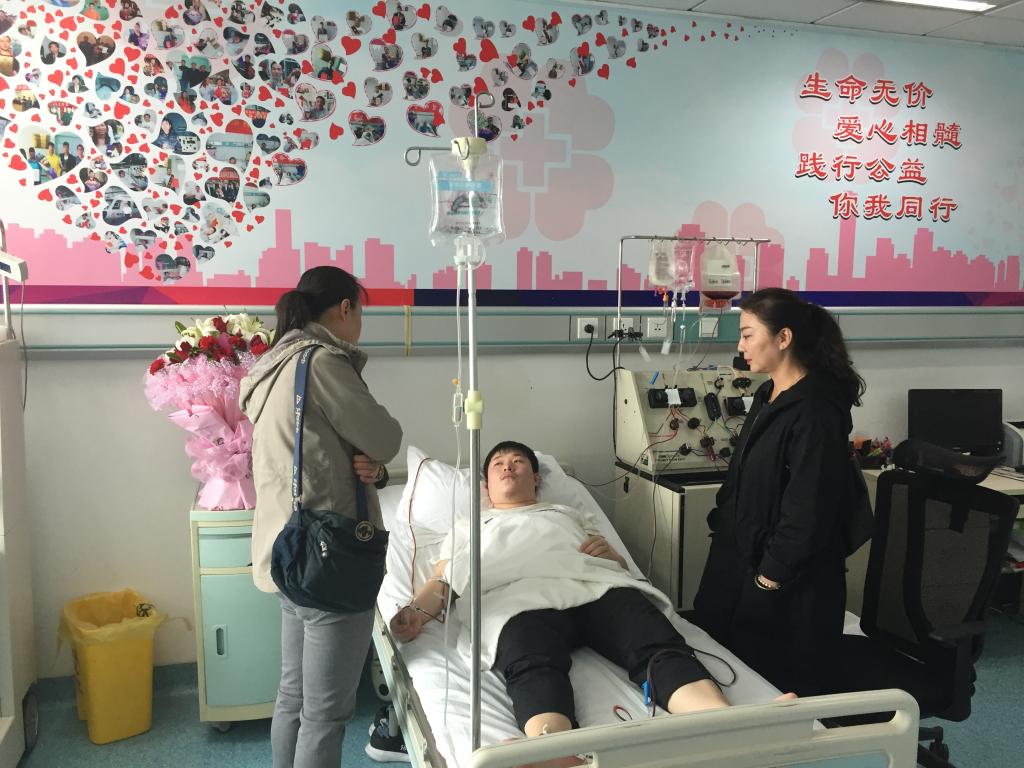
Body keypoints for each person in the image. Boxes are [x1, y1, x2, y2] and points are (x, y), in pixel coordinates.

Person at [392, 441, 791, 760]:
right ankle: (553, 749)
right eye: (498, 464)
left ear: (536, 478)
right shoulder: (469, 526)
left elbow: (614, 564)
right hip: (518, 598)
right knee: (532, 659)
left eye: (518, 462)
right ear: (486, 485)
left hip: (594, 586)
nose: (508, 467)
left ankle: (721, 721)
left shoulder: (565, 512)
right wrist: (416, 612)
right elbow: (444, 579)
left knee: (655, 643)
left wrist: (614, 558)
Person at [240, 266, 402, 768]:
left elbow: (316, 454)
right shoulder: (323, 363)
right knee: (326, 713)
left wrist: (371, 470)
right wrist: (377, 459)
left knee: (293, 696)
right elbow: (385, 437)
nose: (360, 325)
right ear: (345, 308)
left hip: (286, 553)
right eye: (360, 312)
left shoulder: (272, 367)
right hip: (329, 558)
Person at [692, 288, 865, 697]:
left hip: (784, 587)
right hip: (738, 565)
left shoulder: (815, 412)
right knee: (720, 673)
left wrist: (767, 582)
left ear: (784, 338)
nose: (740, 346)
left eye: (748, 335)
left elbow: (807, 514)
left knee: (773, 691)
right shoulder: (767, 395)